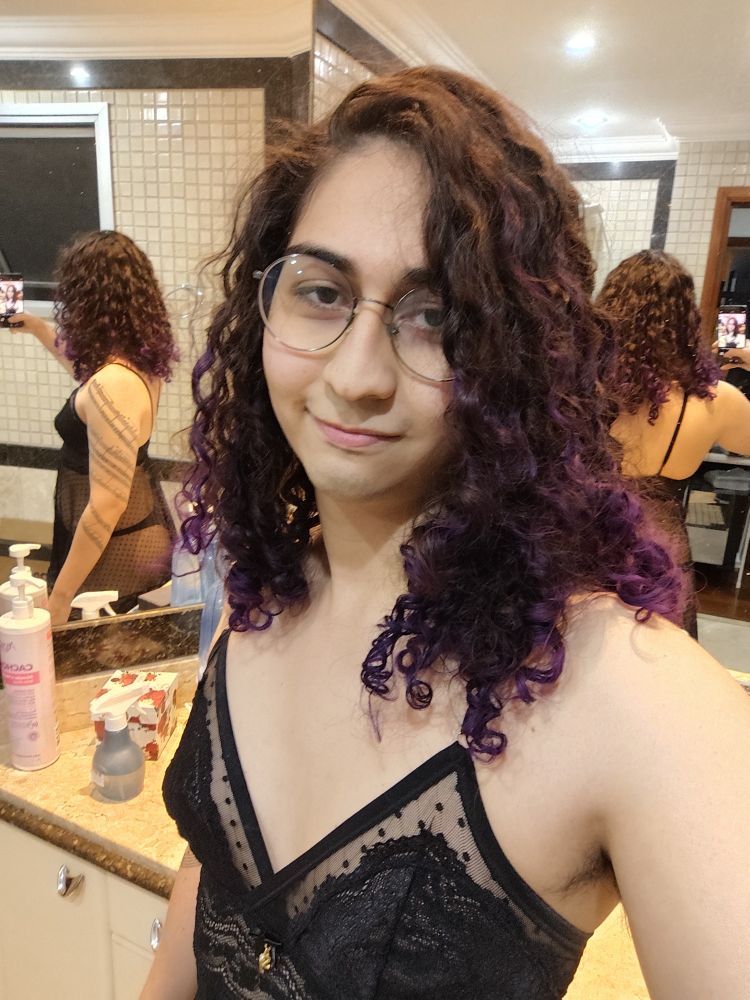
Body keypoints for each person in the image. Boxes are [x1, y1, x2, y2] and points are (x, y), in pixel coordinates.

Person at [144, 69, 750, 1000]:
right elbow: (206, 895)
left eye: (434, 316)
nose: (356, 376)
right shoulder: (262, 602)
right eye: (322, 291)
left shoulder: (629, 694)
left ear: (516, 355)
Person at [14, 231, 178, 624]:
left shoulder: (113, 385)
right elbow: (85, 374)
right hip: (124, 538)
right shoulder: (131, 364)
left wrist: (60, 597)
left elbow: (106, 505)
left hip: (117, 551)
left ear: (85, 300)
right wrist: (35, 326)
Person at [596, 250, 750, 637]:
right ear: (686, 320)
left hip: (588, 542)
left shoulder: (582, 389)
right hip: (662, 551)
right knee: (662, 650)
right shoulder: (717, 401)